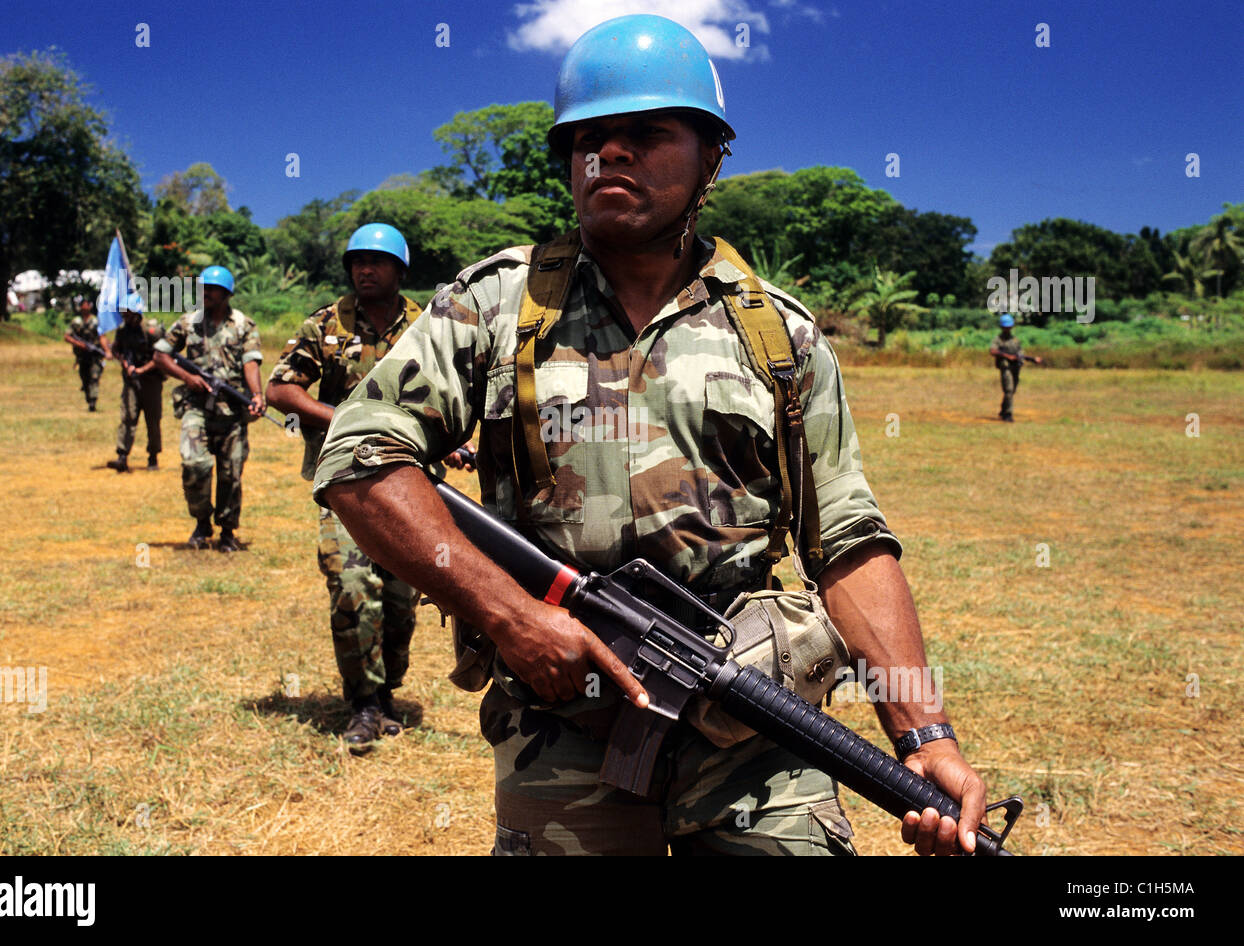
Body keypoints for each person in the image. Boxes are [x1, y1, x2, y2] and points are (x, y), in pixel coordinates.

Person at [314, 14, 988, 855]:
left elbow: (847, 539)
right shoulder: (494, 306)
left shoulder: (778, 335)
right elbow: (359, 459)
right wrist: (513, 617)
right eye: (588, 138)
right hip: (563, 723)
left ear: (711, 158)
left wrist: (925, 734)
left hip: (752, 720)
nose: (610, 153)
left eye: (646, 133)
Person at [266, 224, 434, 751]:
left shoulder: (430, 323)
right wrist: (342, 417)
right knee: (353, 585)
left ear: (400, 270)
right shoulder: (326, 324)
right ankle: (363, 702)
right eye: (357, 261)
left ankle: (387, 692)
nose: (365, 269)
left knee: (403, 593)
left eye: (376, 261)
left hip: (411, 478)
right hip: (343, 478)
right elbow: (280, 389)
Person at [153, 265, 265, 552]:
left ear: (227, 294)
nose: (206, 294)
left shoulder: (244, 325)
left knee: (231, 474)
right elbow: (160, 355)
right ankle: (202, 522)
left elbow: (251, 362)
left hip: (232, 411)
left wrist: (256, 395)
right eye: (203, 289)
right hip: (197, 407)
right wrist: (187, 377)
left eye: (212, 290)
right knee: (194, 465)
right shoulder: (188, 323)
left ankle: (227, 531)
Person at [104, 295, 165, 472]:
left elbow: (162, 357)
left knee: (152, 420)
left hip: (151, 381)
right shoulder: (123, 330)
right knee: (128, 417)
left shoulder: (152, 331)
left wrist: (142, 370)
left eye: (127, 312)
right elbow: (116, 349)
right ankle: (122, 456)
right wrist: (124, 363)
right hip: (131, 381)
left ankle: (153, 456)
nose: (124, 315)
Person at [989, 313, 1041, 422]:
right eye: (1005, 327)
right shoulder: (998, 339)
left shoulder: (1015, 340)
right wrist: (1007, 356)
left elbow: (1020, 353)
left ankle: (1003, 410)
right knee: (1008, 390)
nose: (1007, 329)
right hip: (1006, 368)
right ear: (1002, 327)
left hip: (1016, 368)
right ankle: (1008, 414)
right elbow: (992, 351)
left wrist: (1032, 359)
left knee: (1012, 391)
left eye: (1009, 327)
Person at [63, 299, 104, 411]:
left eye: (87, 305)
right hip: (82, 357)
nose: (85, 308)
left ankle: (93, 402)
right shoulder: (76, 322)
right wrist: (79, 344)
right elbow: (67, 336)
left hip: (94, 356)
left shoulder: (96, 321)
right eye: (83, 306)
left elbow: (102, 337)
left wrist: (106, 350)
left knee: (94, 377)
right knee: (85, 379)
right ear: (80, 307)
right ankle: (89, 397)